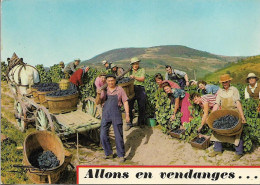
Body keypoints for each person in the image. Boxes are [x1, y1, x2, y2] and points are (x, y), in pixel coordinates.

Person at [209, 74, 246, 161]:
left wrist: (242, 116)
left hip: (234, 113)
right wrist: (212, 114)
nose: (224, 83)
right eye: (223, 82)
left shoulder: (234, 90)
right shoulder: (220, 92)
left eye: (226, 82)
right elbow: (217, 104)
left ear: (229, 81)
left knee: (237, 132)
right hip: (224, 113)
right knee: (218, 129)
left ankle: (239, 152)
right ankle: (217, 149)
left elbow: (238, 103)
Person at [96, 74, 130, 163]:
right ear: (106, 81)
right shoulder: (104, 90)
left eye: (112, 80)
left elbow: (125, 102)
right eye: (109, 81)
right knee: (103, 134)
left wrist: (127, 114)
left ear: (115, 81)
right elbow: (97, 102)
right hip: (106, 114)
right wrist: (98, 94)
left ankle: (121, 155)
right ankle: (109, 153)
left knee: (118, 135)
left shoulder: (120, 89)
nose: (111, 82)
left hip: (116, 113)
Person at [125, 57, 146, 130]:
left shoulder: (142, 70)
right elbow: (125, 80)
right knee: (130, 106)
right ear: (132, 65)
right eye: (134, 64)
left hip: (140, 88)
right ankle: (129, 123)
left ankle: (141, 122)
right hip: (131, 89)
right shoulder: (129, 71)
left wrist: (134, 77)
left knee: (142, 106)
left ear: (138, 64)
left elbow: (142, 79)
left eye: (137, 63)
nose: (135, 65)